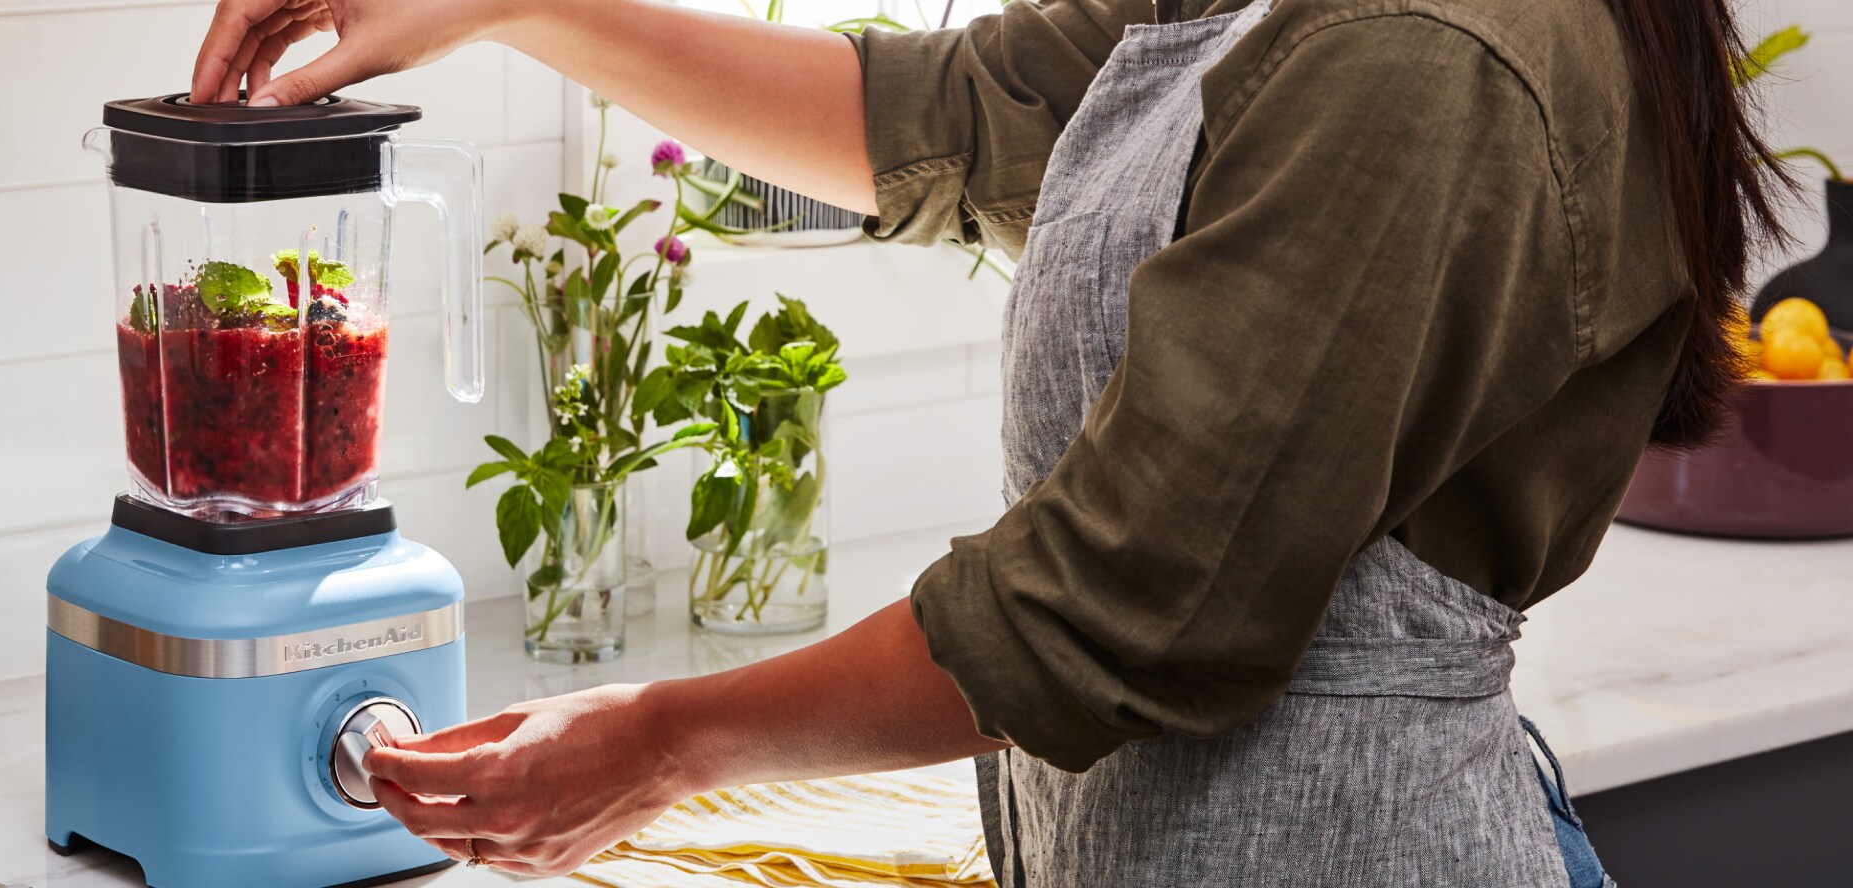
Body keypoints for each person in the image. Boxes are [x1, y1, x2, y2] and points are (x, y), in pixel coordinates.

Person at [188, 0, 1785, 884]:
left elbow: (1118, 611)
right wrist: (511, 4)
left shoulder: (1426, 49)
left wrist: (658, 743)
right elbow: (945, 115)